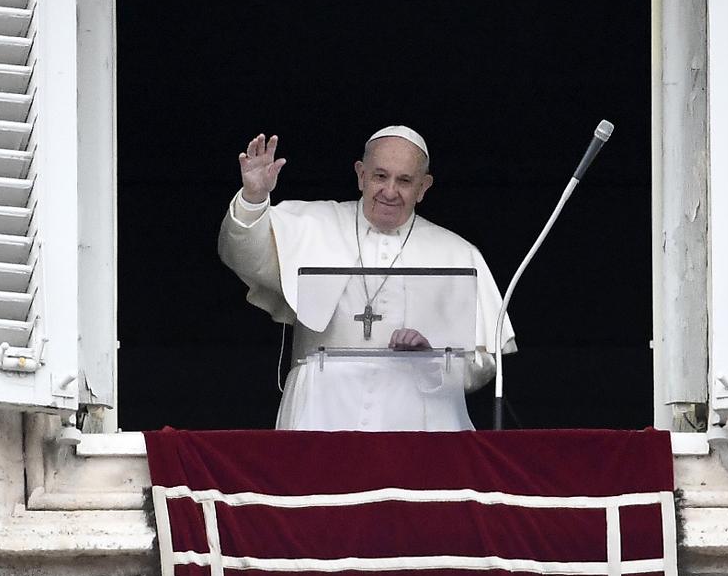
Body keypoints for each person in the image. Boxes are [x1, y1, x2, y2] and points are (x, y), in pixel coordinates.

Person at [218, 126, 515, 431]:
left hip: (419, 421)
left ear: (424, 187)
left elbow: (482, 362)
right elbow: (242, 255)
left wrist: (434, 357)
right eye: (380, 176)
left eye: (405, 180)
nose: (389, 191)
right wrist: (253, 198)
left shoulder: (457, 253)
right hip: (320, 414)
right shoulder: (313, 223)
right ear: (361, 174)